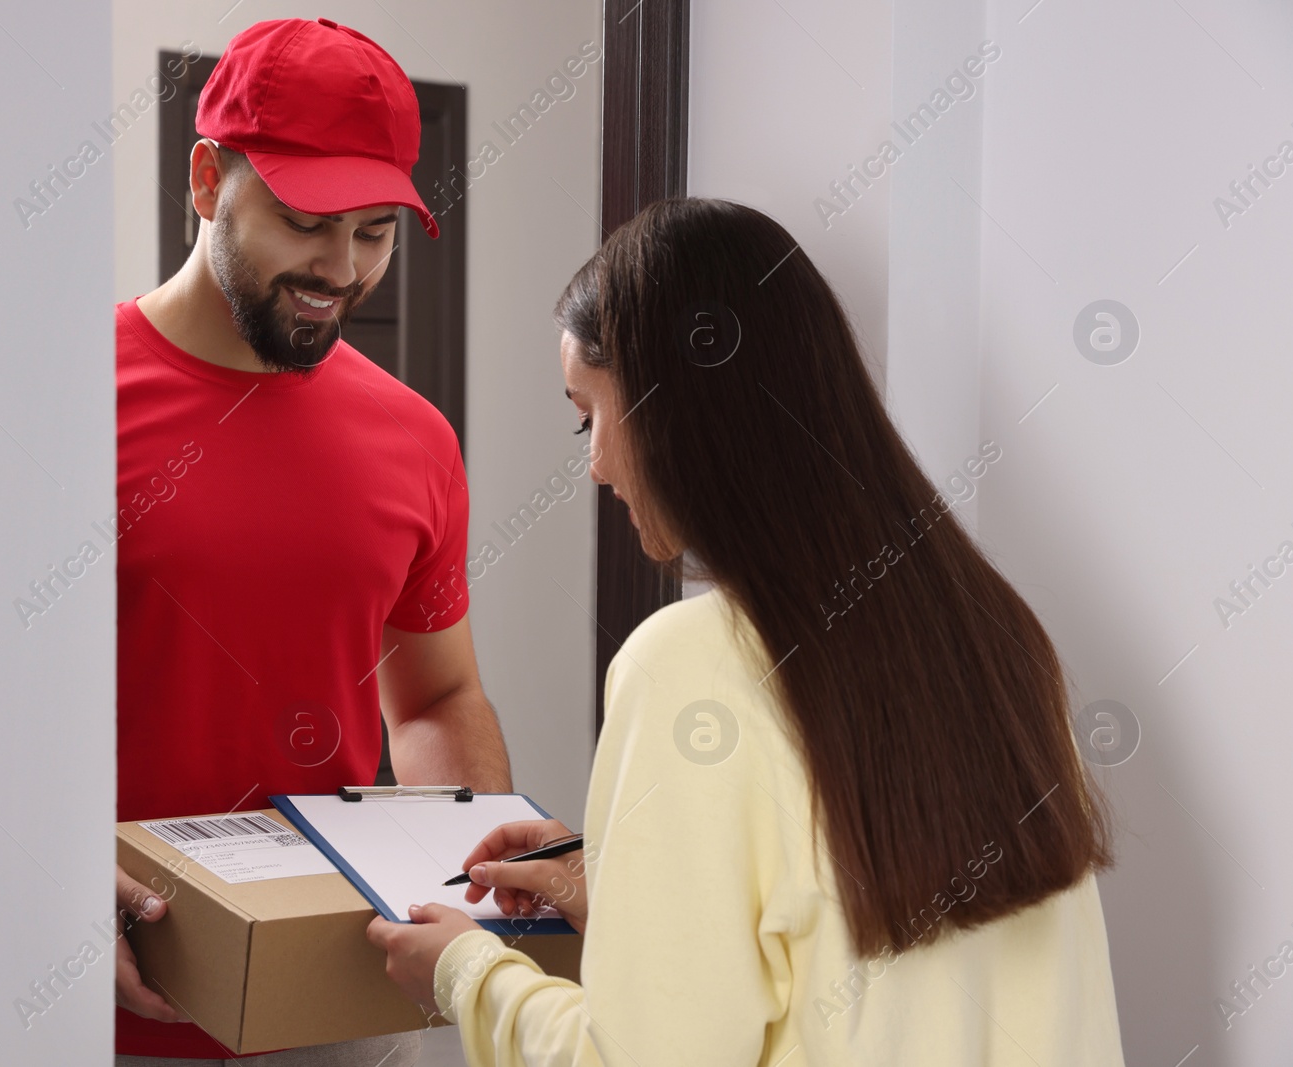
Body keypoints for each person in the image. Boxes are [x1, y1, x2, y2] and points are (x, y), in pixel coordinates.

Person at [367, 197, 1126, 1065]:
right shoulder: (992, 633)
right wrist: (624, 890)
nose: (597, 463)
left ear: (679, 409)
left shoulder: (687, 664)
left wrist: (466, 974)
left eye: (591, 415)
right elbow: (846, 937)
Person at [113, 18, 512, 1066]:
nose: (339, 269)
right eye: (304, 222)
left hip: (332, 1001)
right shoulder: (65, 397)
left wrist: (469, 873)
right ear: (206, 180)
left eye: (373, 232)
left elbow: (433, 698)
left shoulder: (412, 437)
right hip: (90, 996)